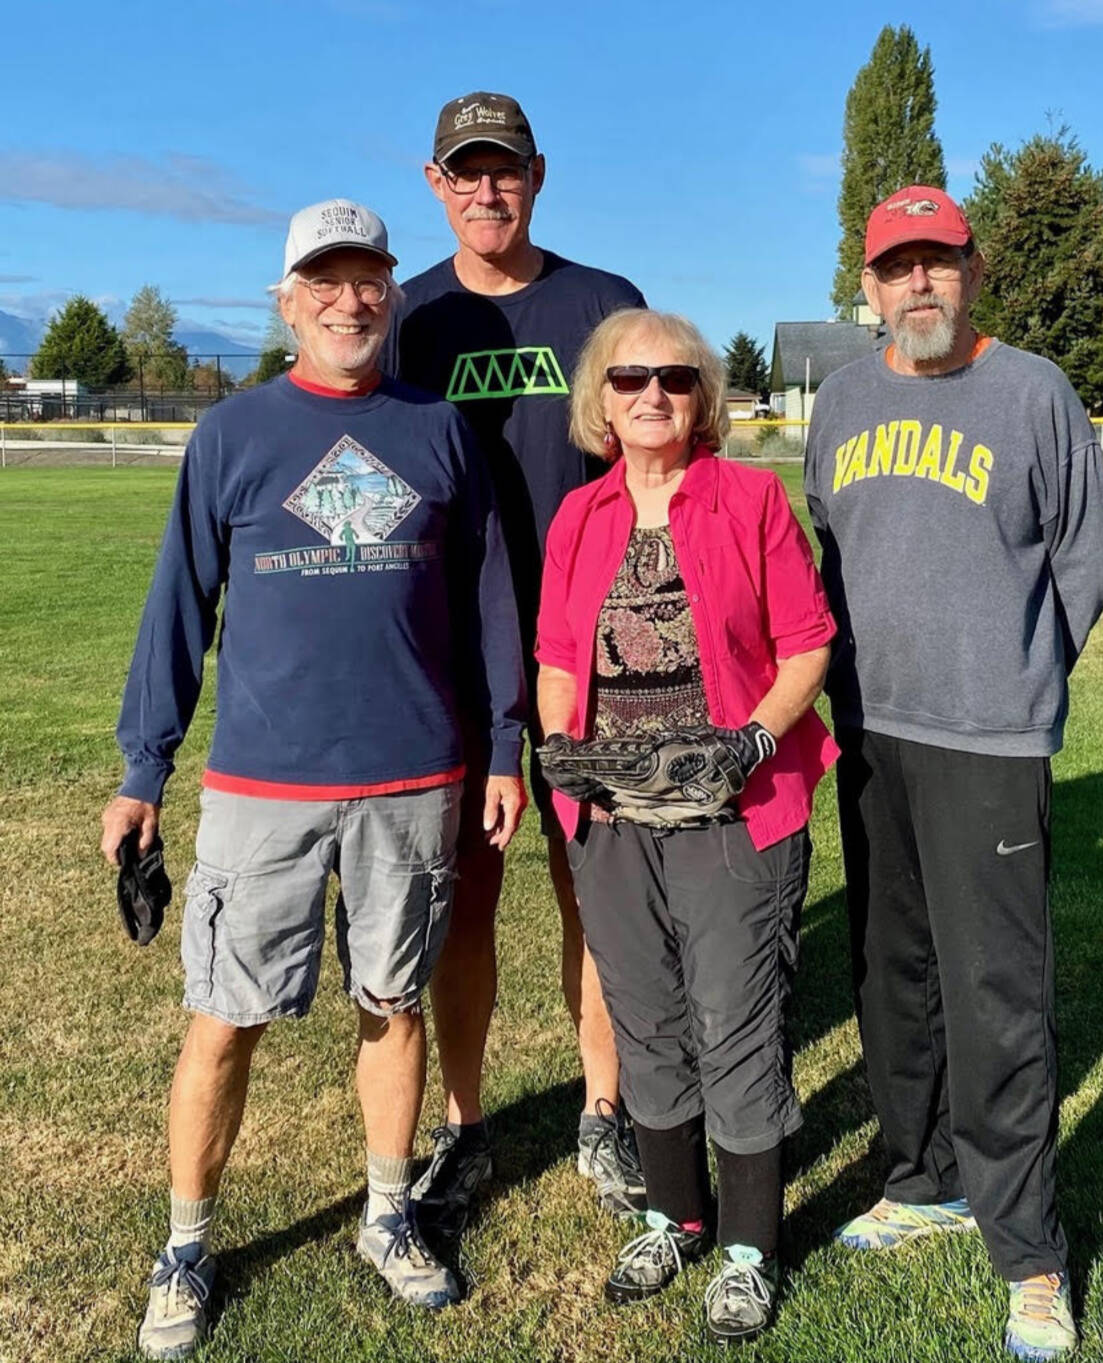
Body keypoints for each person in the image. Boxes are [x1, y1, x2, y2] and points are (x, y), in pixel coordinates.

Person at [99, 199, 526, 1359]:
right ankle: (187, 1242)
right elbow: (178, 607)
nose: (350, 299)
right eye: (324, 281)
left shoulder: (437, 429)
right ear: (286, 301)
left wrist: (503, 741)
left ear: (391, 292)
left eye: (367, 278)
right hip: (264, 786)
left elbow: (488, 597)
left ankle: (389, 1214)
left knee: (390, 1005)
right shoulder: (235, 437)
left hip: (414, 776)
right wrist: (146, 767)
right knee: (224, 1020)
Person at [804, 185, 1103, 1361]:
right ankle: (920, 1174)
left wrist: (1022, 673)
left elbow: (1080, 558)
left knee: (998, 991)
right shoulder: (840, 397)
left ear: (972, 272)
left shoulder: (1031, 391)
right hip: (872, 729)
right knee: (892, 971)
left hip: (988, 736)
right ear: (870, 285)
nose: (918, 283)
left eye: (938, 261)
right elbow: (826, 551)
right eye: (898, 267)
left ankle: (1027, 1248)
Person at [535, 309, 837, 1343]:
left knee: (734, 1018)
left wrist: (750, 743)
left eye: (672, 376)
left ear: (699, 393)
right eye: (628, 379)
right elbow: (559, 660)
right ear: (601, 399)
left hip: (732, 816)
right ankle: (675, 1213)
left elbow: (806, 646)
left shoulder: (747, 500)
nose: (650, 395)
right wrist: (560, 752)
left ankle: (749, 1245)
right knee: (647, 1017)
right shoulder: (579, 518)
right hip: (613, 818)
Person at [393, 91, 648, 1225]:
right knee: (465, 896)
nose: (485, 189)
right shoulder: (404, 318)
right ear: (434, 184)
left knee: (596, 885)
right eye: (465, 172)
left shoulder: (602, 305)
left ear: (537, 176)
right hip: (450, 656)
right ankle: (463, 1123)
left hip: (593, 650)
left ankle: (606, 1110)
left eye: (504, 170)